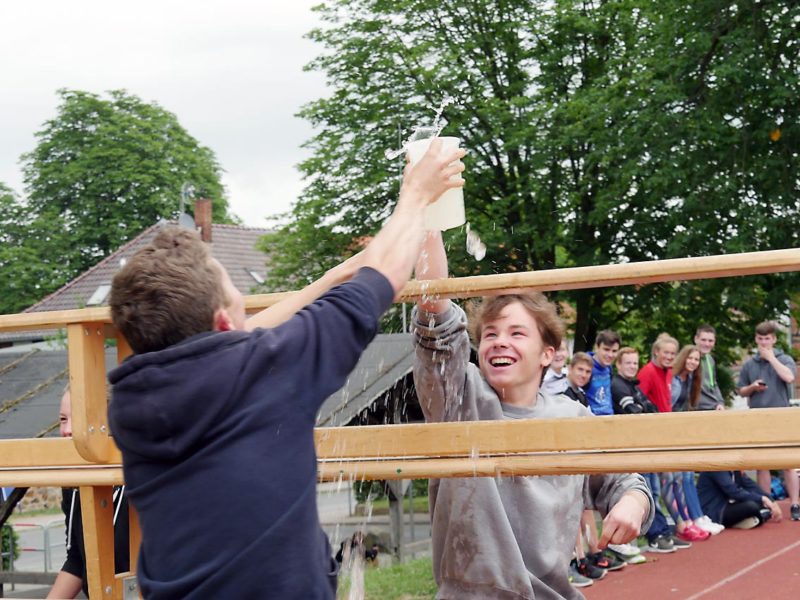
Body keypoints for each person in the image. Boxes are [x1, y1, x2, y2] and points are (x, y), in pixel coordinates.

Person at [106, 140, 466, 599]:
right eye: (232, 287)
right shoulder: (268, 370)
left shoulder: (132, 401)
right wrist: (416, 194)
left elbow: (237, 335)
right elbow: (387, 276)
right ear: (221, 320)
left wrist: (333, 277)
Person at [412, 231, 653, 599]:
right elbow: (435, 315)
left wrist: (633, 503)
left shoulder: (570, 417)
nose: (499, 341)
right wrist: (427, 219)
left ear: (547, 354)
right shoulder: (459, 399)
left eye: (517, 333)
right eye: (490, 334)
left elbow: (625, 482)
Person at [48, 388, 130, 599]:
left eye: (79, 418)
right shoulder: (73, 485)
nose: (66, 430)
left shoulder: (138, 482)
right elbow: (77, 559)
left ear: (107, 424)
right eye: (63, 419)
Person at [638, 334, 709, 543]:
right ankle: (676, 525)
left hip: (667, 433)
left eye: (672, 353)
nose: (669, 357)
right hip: (652, 435)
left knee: (674, 479)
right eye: (665, 353)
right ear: (656, 352)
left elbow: (667, 403)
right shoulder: (648, 372)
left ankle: (684, 523)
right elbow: (638, 400)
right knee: (663, 482)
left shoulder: (668, 373)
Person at [737, 321, 799, 520]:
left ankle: (795, 503)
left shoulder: (784, 358)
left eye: (768, 339)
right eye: (761, 339)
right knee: (762, 464)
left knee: (788, 463)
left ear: (774, 339)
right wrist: (753, 387)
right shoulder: (749, 364)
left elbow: (789, 377)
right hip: (757, 418)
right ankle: (769, 503)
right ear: (756, 339)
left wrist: (771, 358)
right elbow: (741, 390)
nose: (764, 342)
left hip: (780, 417)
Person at [671, 346, 724, 535]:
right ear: (683, 358)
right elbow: (668, 406)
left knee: (688, 476)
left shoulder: (692, 380)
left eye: (696, 360)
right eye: (690, 358)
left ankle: (697, 516)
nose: (693, 362)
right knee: (680, 478)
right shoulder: (675, 380)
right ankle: (688, 519)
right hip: (671, 432)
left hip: (683, 432)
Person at [697, 470, 783, 529]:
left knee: (762, 505)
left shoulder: (735, 468)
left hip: (728, 505)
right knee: (752, 506)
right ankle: (747, 519)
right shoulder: (716, 468)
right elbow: (732, 491)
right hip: (714, 510)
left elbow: (749, 484)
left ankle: (749, 518)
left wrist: (771, 501)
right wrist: (762, 499)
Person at [611, 347, 657, 415]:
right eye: (628, 363)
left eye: (635, 363)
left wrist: (641, 406)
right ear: (618, 365)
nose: (632, 367)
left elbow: (653, 409)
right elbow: (633, 410)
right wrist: (642, 406)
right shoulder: (617, 385)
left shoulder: (634, 386)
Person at [585, 331, 620, 416]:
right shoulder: (585, 366)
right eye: (606, 349)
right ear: (597, 347)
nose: (610, 354)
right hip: (592, 419)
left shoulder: (609, 368)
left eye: (614, 351)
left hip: (609, 417)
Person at [693, 325, 726, 410]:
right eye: (703, 340)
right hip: (697, 408)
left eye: (710, 341)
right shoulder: (690, 359)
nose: (707, 344)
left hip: (712, 406)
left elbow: (713, 384)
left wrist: (720, 402)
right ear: (696, 339)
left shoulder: (710, 359)